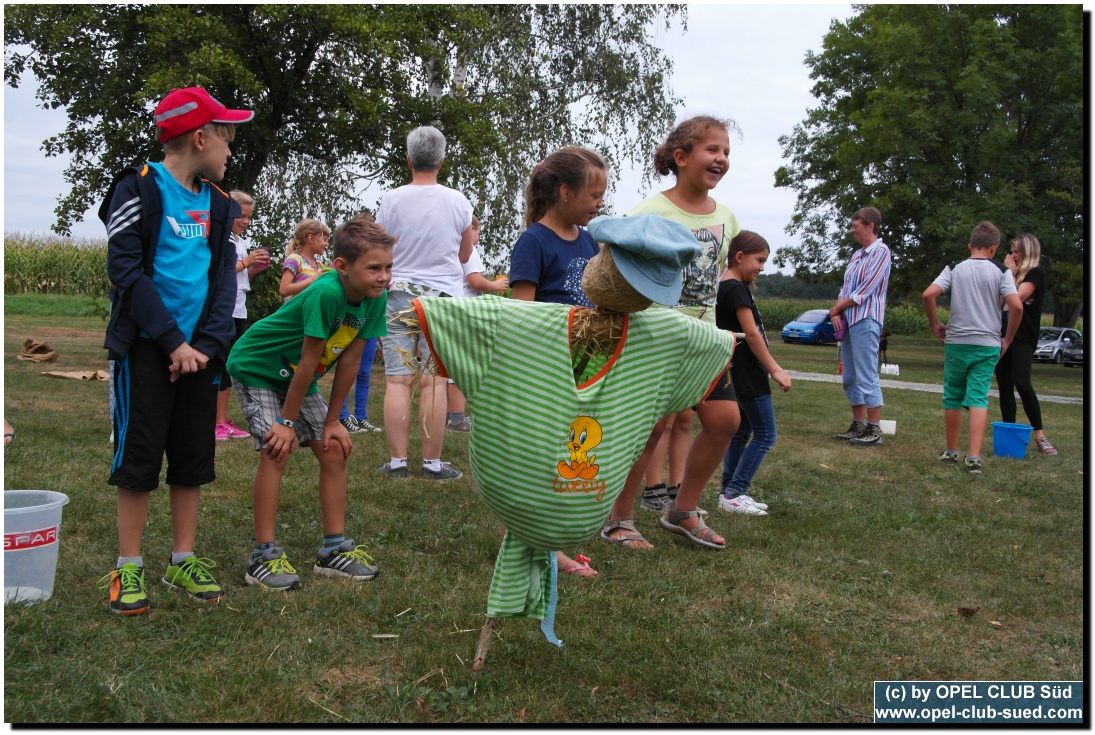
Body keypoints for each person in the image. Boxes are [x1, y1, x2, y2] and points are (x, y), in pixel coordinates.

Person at [97, 86, 252, 615]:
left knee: (192, 459)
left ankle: (182, 558)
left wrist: (203, 347)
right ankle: (129, 567)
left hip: (199, 359)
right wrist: (173, 342)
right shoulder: (136, 188)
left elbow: (221, 283)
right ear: (200, 137)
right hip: (146, 351)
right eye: (226, 139)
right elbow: (126, 274)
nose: (230, 152)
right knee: (139, 457)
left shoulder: (220, 202)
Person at [226, 215, 394, 590]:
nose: (383, 277)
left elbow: (349, 361)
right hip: (258, 366)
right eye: (373, 269)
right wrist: (285, 424)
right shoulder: (326, 292)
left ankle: (333, 550)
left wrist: (334, 421)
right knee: (276, 450)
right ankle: (262, 556)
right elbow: (307, 362)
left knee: (333, 450)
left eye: (387, 267)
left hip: (296, 377)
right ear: (342, 267)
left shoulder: (374, 299)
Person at [601, 115, 742, 550]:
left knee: (725, 421)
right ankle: (618, 519)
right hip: (656, 339)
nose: (720, 159)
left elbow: (719, 276)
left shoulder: (727, 217)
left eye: (726, 153)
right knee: (651, 429)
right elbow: (615, 266)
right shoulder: (649, 212)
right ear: (681, 158)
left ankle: (682, 509)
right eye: (711, 150)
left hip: (704, 341)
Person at [508, 146, 611, 576]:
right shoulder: (532, 241)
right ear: (565, 192)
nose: (600, 203)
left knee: (570, 454)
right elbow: (521, 314)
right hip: (545, 369)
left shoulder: (588, 241)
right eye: (594, 195)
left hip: (583, 366)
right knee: (535, 459)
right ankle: (530, 542)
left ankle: (550, 539)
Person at [375, 125, 474, 481]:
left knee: (398, 381)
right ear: (441, 161)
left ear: (408, 160)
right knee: (435, 382)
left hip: (399, 294)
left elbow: (381, 247)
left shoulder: (391, 199)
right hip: (444, 300)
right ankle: (432, 464)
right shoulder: (458, 201)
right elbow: (465, 255)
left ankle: (398, 462)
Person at [922, 221, 1022, 474]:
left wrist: (935, 323)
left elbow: (928, 294)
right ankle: (974, 458)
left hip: (957, 342)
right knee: (978, 397)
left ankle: (951, 452)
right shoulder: (1001, 271)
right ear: (994, 248)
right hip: (988, 344)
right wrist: (1007, 339)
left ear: (970, 245)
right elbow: (1017, 306)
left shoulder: (954, 268)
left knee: (953, 397)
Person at [716, 231, 791, 515]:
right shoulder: (736, 288)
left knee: (741, 432)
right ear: (739, 256)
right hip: (748, 371)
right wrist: (773, 368)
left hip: (735, 369)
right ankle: (736, 490)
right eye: (759, 260)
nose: (761, 267)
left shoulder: (724, 285)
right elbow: (750, 332)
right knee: (765, 434)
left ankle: (728, 493)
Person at [828, 206, 891, 446]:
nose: (852, 230)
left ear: (870, 226)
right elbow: (845, 289)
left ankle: (875, 429)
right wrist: (838, 313)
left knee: (867, 373)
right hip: (849, 320)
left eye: (856, 226)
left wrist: (836, 309)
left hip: (866, 319)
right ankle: (858, 424)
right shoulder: (857, 255)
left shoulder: (881, 252)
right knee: (850, 376)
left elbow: (865, 290)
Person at [994, 234, 1057, 455]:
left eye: (1016, 252)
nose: (1012, 256)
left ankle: (1040, 435)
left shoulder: (1035, 274)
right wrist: (1006, 275)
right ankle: (1009, 431)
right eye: (1011, 251)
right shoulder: (1009, 275)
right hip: (1003, 334)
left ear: (1028, 252)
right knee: (1004, 384)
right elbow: (1000, 302)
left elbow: (1017, 299)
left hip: (1023, 337)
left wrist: (1009, 274)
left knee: (1022, 381)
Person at [447, 215, 509, 433]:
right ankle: (456, 418)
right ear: (470, 229)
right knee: (460, 366)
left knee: (449, 366)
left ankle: (451, 415)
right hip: (466, 313)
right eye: (478, 232)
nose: (478, 238)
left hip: (453, 309)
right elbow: (474, 280)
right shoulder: (469, 250)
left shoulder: (450, 249)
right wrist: (495, 285)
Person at [215, 190, 269, 440]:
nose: (246, 221)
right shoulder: (220, 238)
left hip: (238, 308)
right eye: (242, 216)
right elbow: (220, 272)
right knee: (220, 366)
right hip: (222, 308)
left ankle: (221, 419)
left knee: (229, 366)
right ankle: (215, 422)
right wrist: (246, 262)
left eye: (249, 217)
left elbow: (241, 277)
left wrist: (254, 268)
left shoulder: (239, 241)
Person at [338, 212, 382, 435]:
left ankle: (361, 416)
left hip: (367, 324)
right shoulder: (349, 260)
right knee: (347, 368)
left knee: (364, 371)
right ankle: (342, 416)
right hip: (349, 323)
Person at [279, 218, 330, 301]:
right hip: (295, 313)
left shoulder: (320, 266)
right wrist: (312, 279)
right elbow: (284, 290)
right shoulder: (295, 259)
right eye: (324, 240)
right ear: (311, 238)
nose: (327, 244)